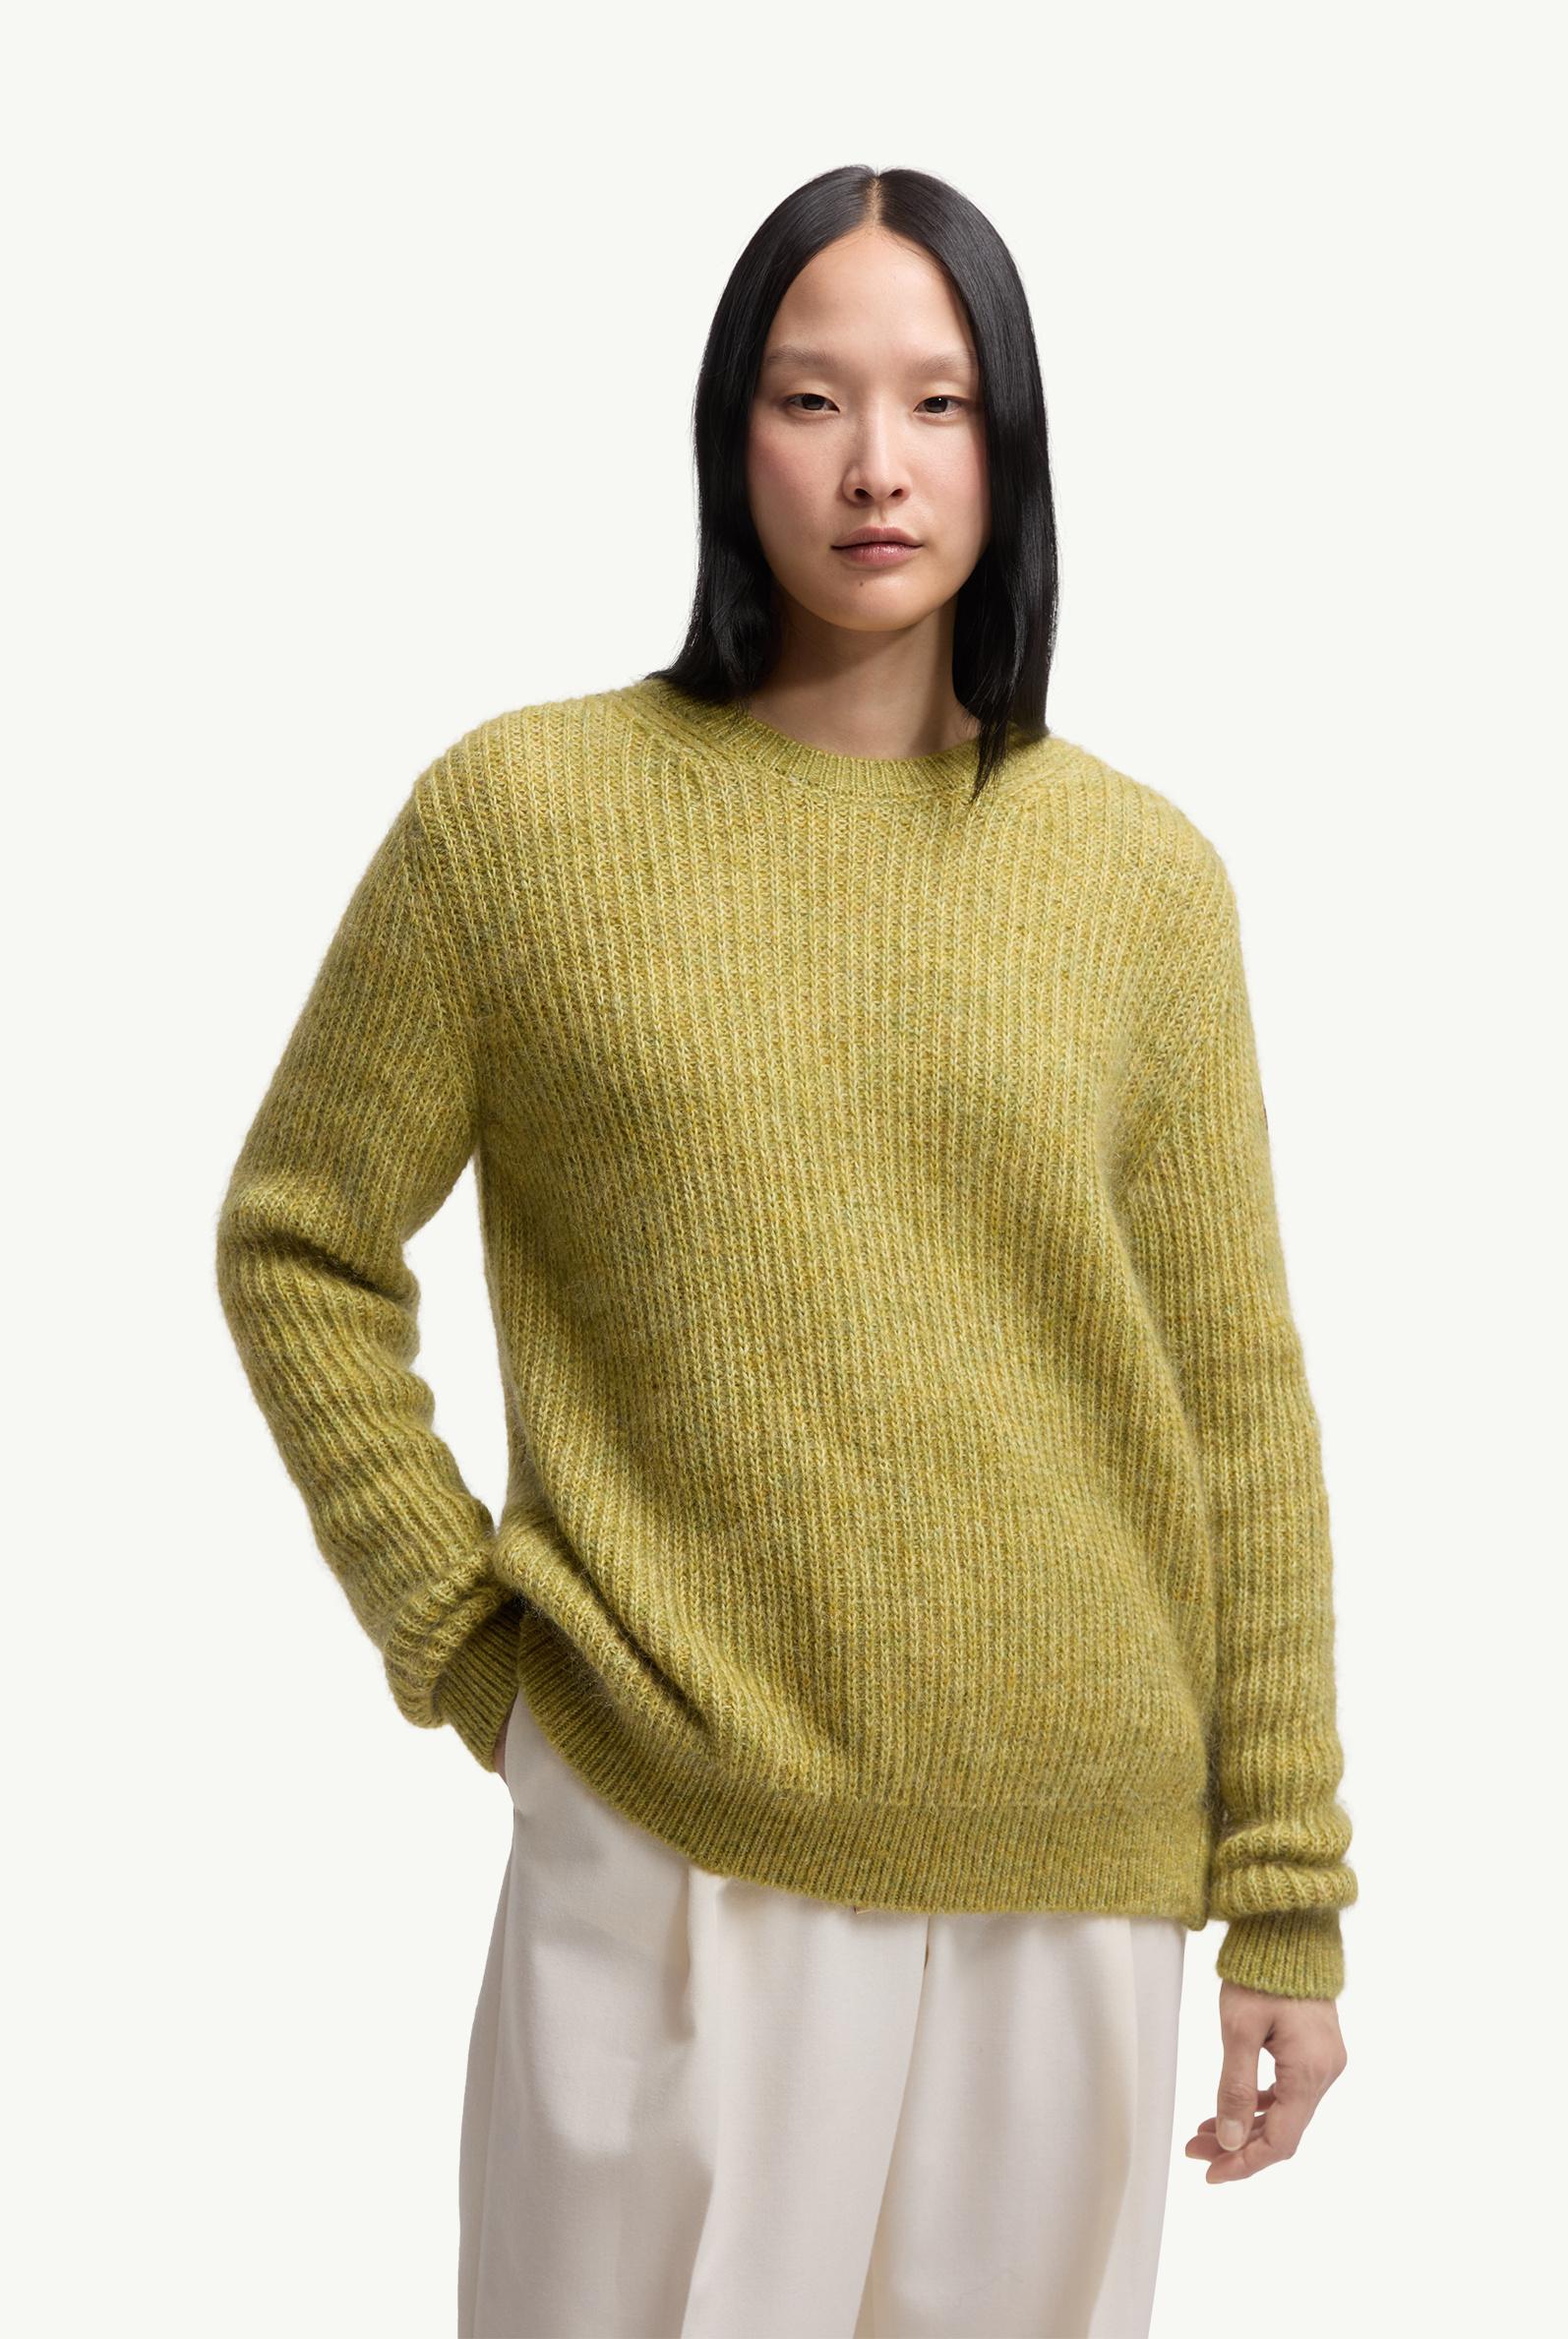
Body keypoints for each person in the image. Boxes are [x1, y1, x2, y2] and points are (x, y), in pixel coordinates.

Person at [214, 163, 1357, 2338]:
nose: (873, 467)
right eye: (809, 398)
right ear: (727, 433)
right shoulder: (521, 821)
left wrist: (1284, 1892)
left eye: (937, 403)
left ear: (1008, 447)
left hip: (1075, 1870)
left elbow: (1235, 1400)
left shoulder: (1139, 881)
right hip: (673, 1838)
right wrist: (468, 1642)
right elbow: (300, 1238)